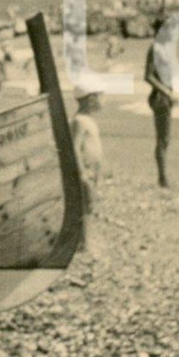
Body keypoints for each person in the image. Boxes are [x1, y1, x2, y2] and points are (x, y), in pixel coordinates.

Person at [144, 20, 176, 189]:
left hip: (164, 96)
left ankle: (163, 177)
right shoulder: (155, 49)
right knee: (163, 138)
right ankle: (163, 178)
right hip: (160, 97)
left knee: (165, 138)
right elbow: (148, 76)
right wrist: (167, 91)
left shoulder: (163, 49)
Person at [71, 86, 104, 244]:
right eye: (100, 97)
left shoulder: (89, 120)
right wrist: (82, 172)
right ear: (90, 100)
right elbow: (75, 147)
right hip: (85, 169)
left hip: (93, 169)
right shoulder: (79, 121)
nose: (102, 101)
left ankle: (86, 240)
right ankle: (84, 242)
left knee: (91, 203)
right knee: (85, 205)